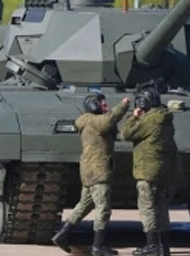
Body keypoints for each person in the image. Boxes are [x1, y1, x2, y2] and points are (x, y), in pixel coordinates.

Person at [52, 93, 130, 256]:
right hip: (98, 171)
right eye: (103, 104)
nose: (106, 107)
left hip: (89, 171)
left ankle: (62, 235)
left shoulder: (86, 121)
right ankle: (97, 246)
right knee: (103, 209)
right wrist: (123, 105)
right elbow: (109, 119)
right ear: (94, 106)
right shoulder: (94, 121)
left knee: (84, 205)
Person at [121, 85, 178, 256]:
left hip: (147, 171)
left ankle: (152, 244)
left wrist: (133, 116)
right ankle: (164, 246)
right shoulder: (165, 119)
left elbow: (126, 134)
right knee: (161, 208)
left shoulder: (150, 120)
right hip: (163, 171)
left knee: (147, 208)